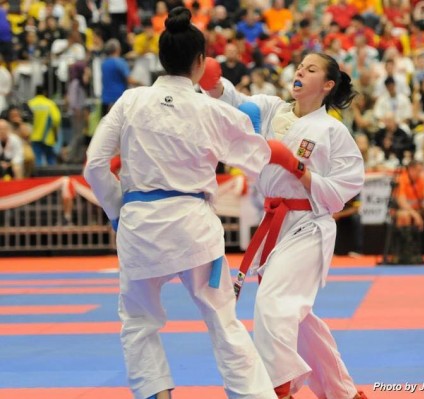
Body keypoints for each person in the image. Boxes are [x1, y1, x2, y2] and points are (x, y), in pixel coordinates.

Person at [83, 8, 277, 399]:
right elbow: (258, 155)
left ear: (160, 58)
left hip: (139, 224)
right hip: (193, 226)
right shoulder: (211, 109)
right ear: (201, 61)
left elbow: (95, 165)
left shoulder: (131, 101)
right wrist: (256, 118)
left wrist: (118, 211)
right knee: (223, 320)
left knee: (138, 322)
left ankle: (156, 394)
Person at [202, 52, 367, 399]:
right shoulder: (270, 109)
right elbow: (235, 104)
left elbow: (348, 185)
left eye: (310, 69)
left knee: (274, 303)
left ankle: (278, 389)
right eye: (299, 66)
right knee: (299, 317)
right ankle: (343, 393)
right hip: (275, 222)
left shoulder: (332, 130)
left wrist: (299, 169)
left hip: (309, 223)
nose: (299, 72)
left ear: (327, 85)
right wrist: (214, 85)